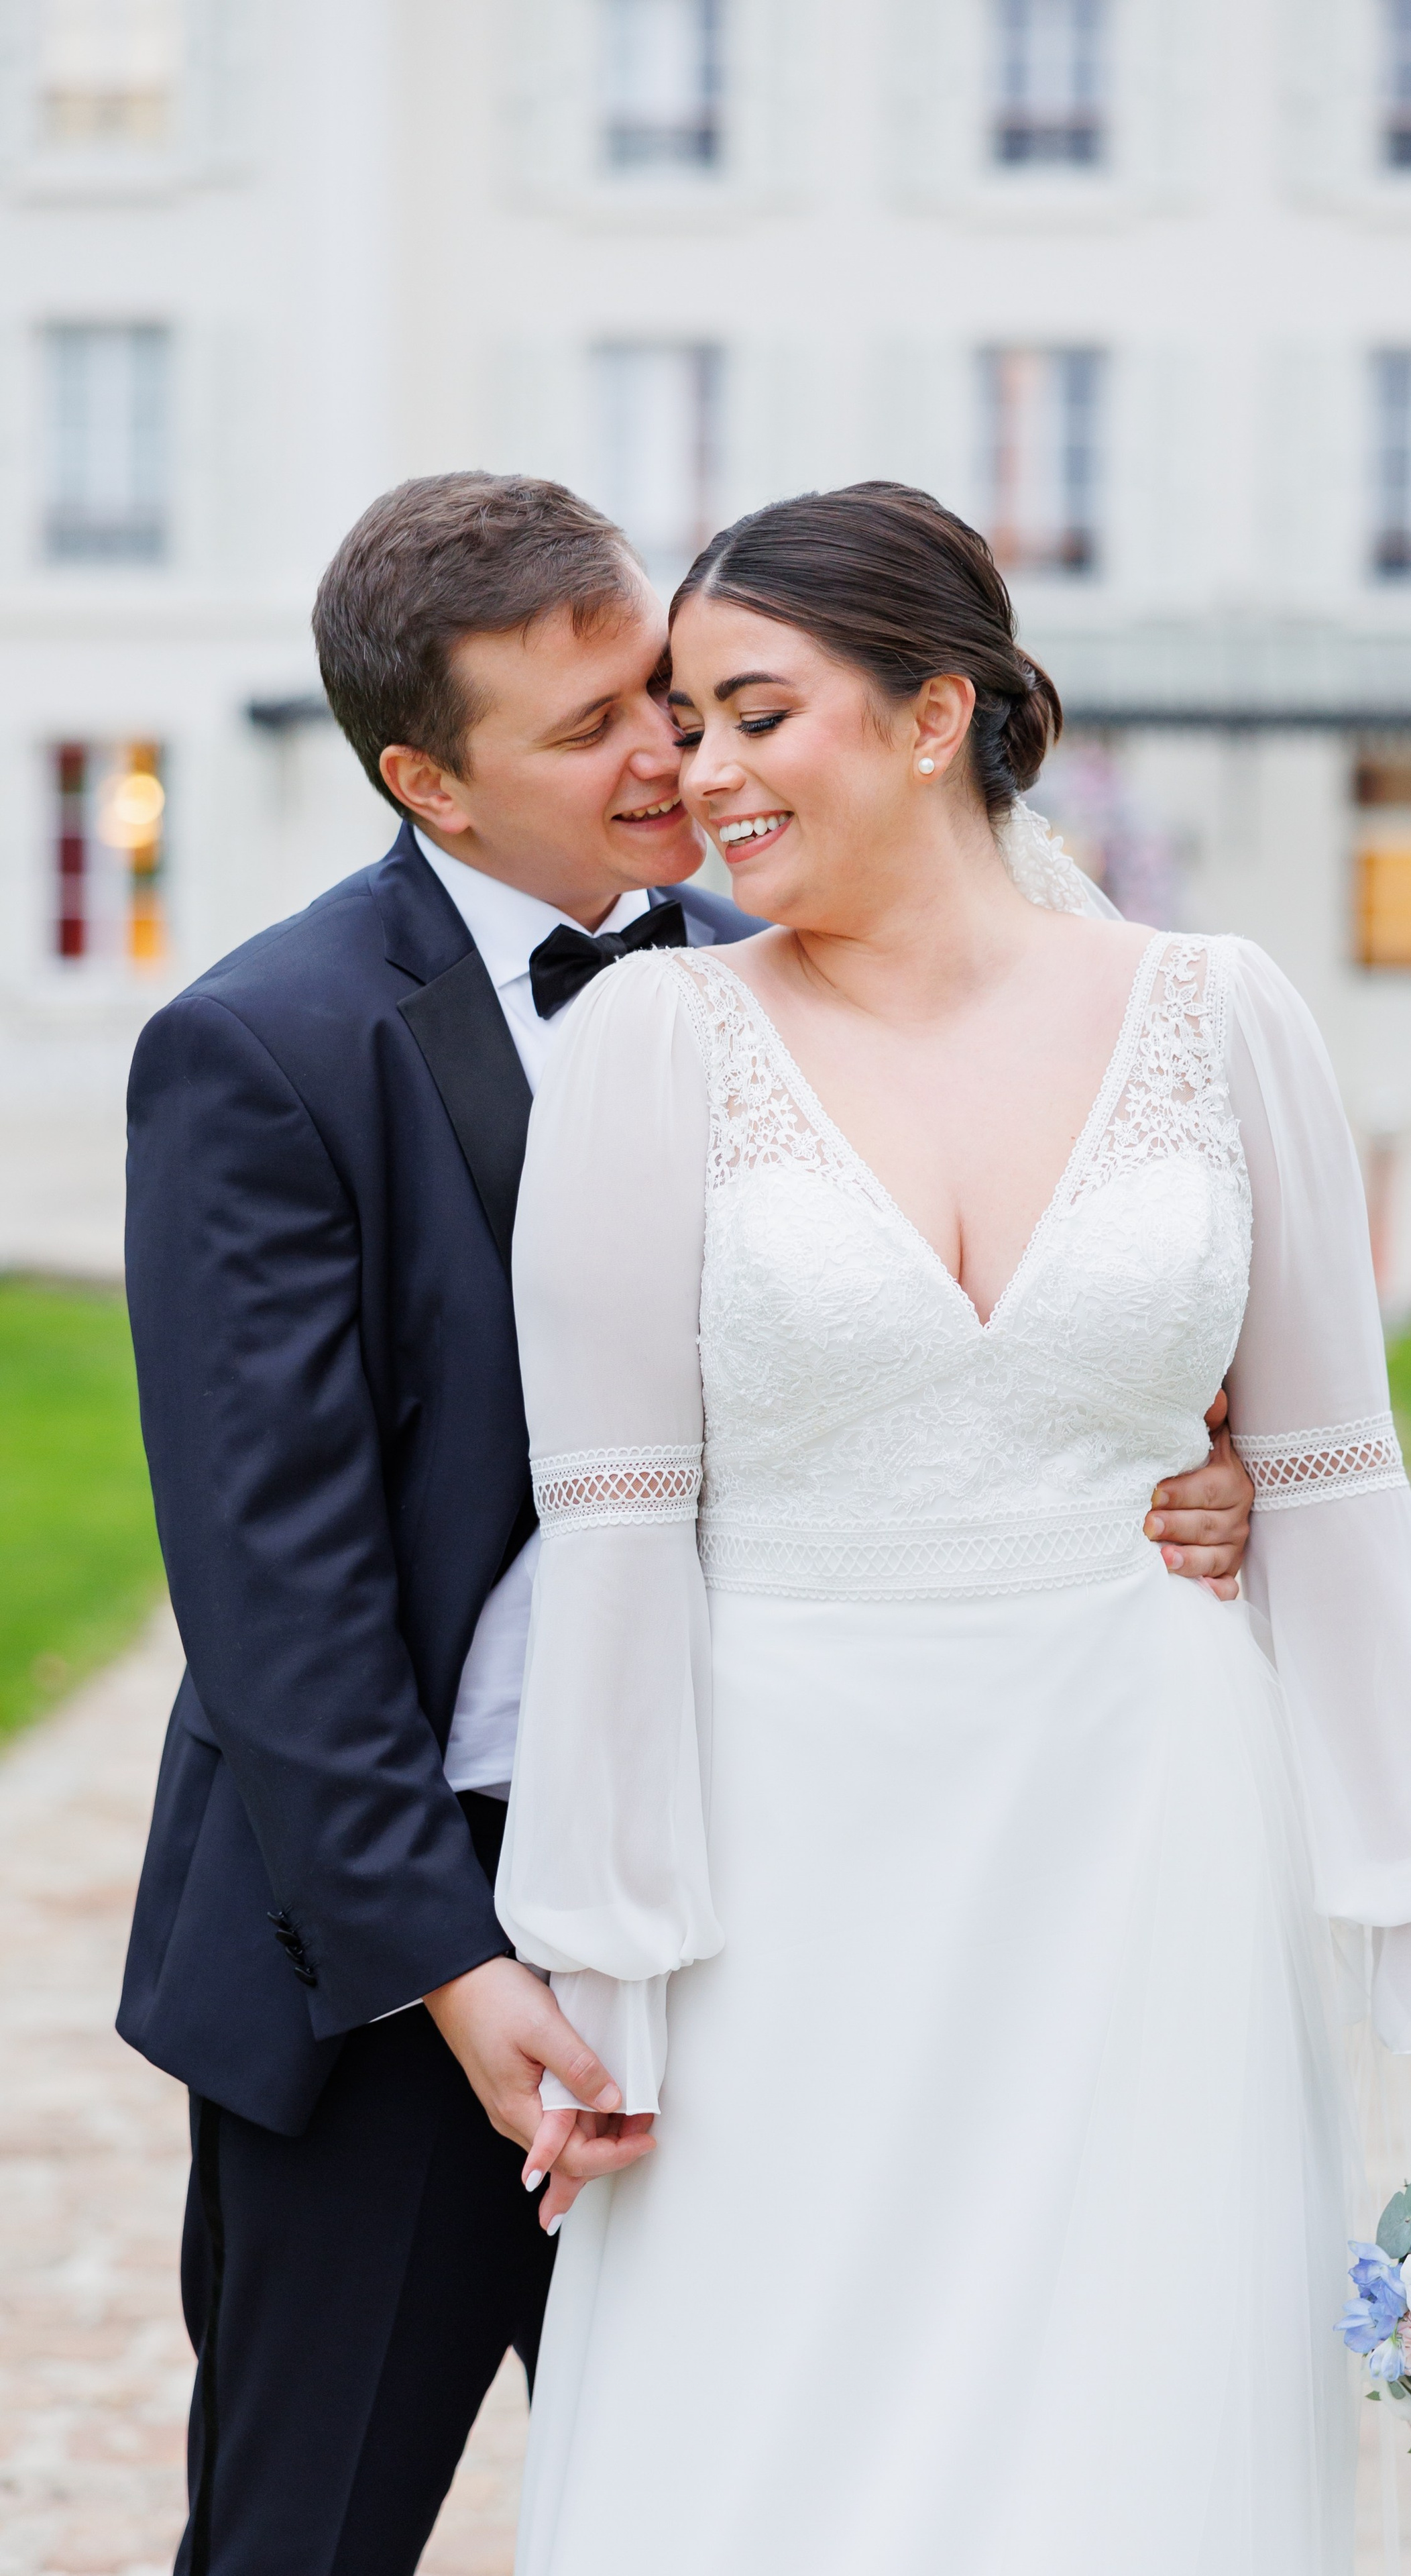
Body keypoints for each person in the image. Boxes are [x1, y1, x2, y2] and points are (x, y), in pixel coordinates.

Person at [117, 471, 1258, 2576]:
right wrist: (455, 1974)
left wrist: (1196, 1461)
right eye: (590, 731)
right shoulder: (263, 1050)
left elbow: (1001, 1330)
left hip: (766, 1906)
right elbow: (277, 1595)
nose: (674, 753)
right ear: (428, 784)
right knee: (309, 2529)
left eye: (668, 689)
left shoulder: (805, 970)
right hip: (401, 1948)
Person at [497, 483, 1411, 2575]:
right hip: (788, 1842)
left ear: (935, 717)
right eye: (685, 725)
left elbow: (1333, 1483)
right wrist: (607, 1949)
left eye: (753, 714)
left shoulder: (1221, 1013)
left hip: (1149, 1821)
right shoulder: (651, 1043)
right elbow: (615, 1529)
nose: (699, 773)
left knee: (1134, 2416)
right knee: (776, 2422)